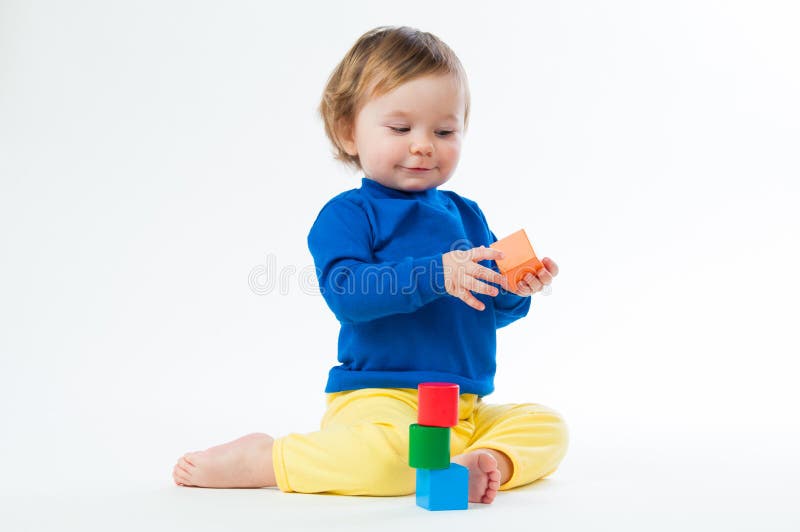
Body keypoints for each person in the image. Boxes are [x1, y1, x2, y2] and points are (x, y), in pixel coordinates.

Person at [172, 25, 568, 505]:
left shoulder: (467, 213)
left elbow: (483, 308)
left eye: (444, 131)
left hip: (463, 405)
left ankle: (482, 462)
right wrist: (437, 273)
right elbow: (349, 294)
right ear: (348, 131)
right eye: (401, 129)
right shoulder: (349, 215)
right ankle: (269, 459)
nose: (423, 144)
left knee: (547, 425)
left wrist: (513, 290)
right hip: (381, 401)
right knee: (383, 459)